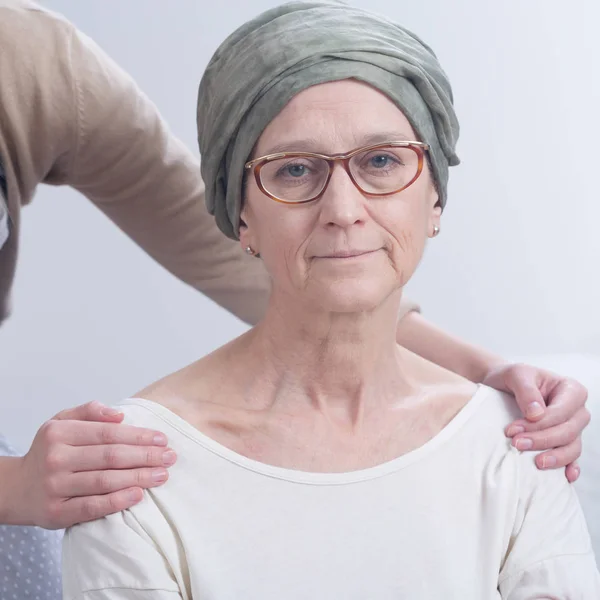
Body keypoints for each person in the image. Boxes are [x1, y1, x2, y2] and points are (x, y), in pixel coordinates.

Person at [61, 2, 600, 597]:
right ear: (241, 215)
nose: (343, 211)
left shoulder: (514, 446)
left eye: (381, 161)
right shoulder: (131, 464)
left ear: (436, 199)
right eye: (293, 170)